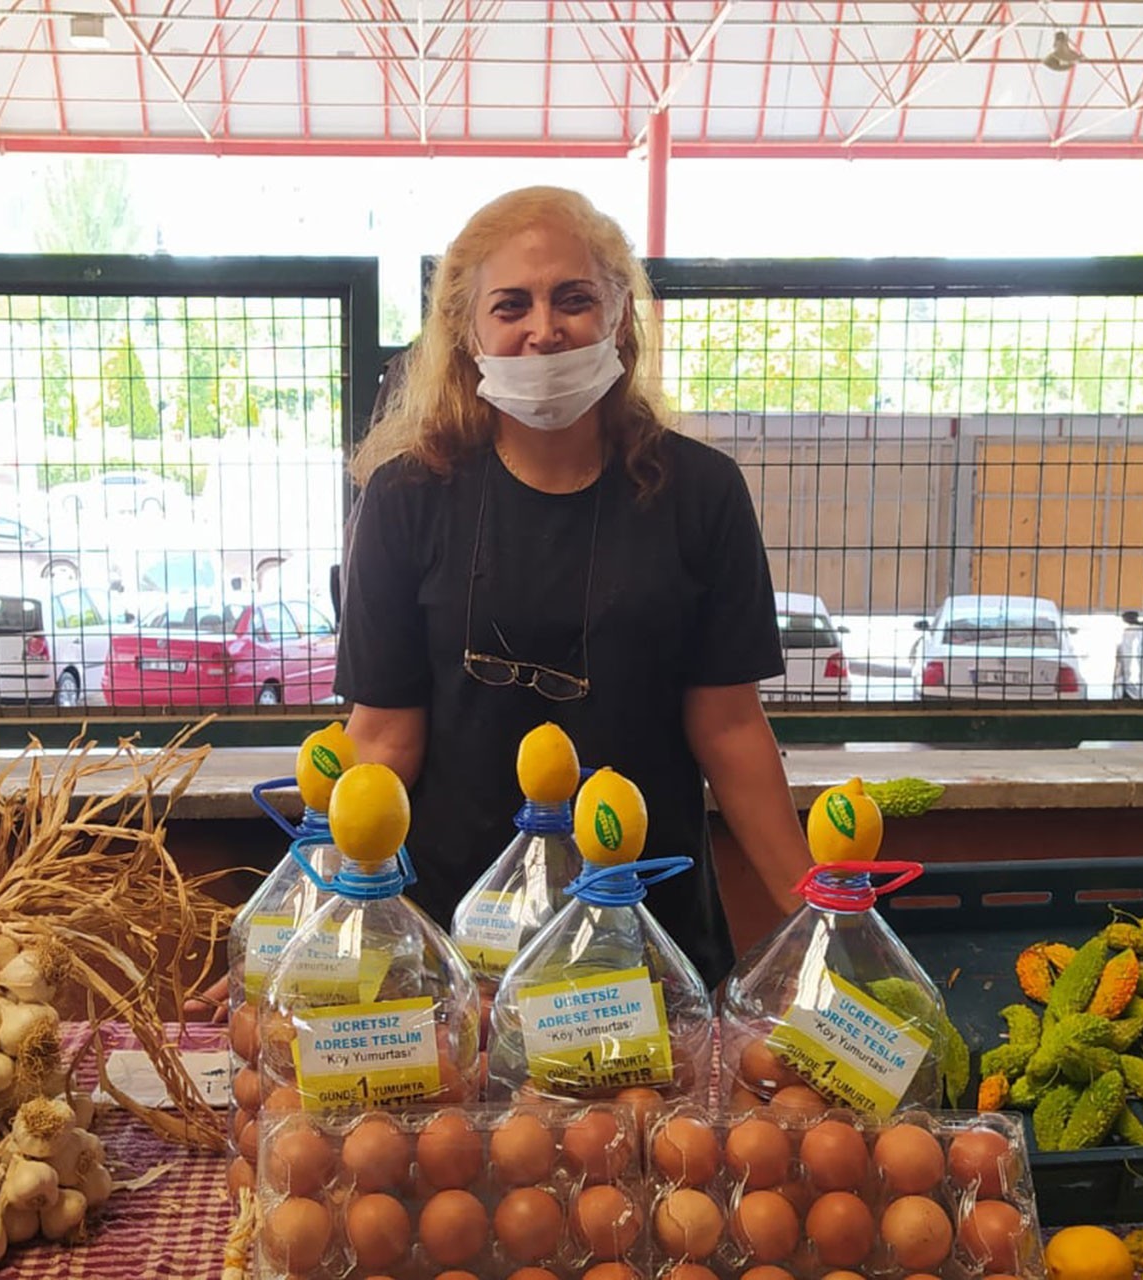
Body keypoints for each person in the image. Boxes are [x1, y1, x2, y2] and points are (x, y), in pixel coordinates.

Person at [335, 185, 811, 987]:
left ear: (621, 314)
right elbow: (382, 739)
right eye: (510, 305)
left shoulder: (700, 494)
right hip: (459, 949)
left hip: (647, 942)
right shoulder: (406, 499)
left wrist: (817, 927)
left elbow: (730, 732)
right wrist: (310, 915)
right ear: (467, 331)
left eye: (574, 299)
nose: (543, 329)